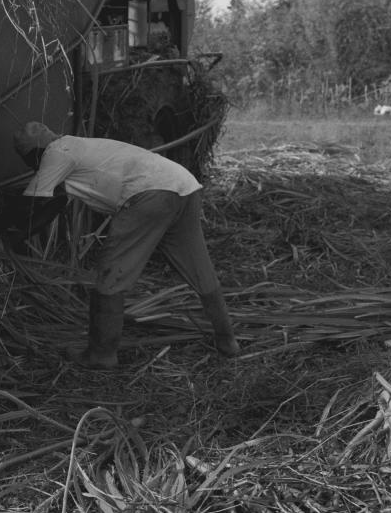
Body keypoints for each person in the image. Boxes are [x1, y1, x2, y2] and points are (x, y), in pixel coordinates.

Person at [12, 121, 239, 368]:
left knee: (111, 274)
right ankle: (227, 340)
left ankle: (101, 354)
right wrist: (17, 237)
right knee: (198, 266)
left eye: (29, 162)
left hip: (148, 193)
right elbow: (52, 206)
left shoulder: (56, 152)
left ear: (35, 154)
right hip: (184, 186)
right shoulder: (78, 147)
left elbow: (31, 204)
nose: (33, 168)